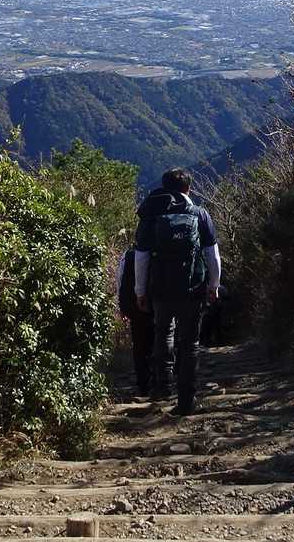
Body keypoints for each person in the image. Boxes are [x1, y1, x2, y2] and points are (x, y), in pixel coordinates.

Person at [134, 168, 220, 415]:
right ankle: (186, 401)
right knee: (190, 342)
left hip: (160, 288)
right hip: (193, 287)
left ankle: (162, 389)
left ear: (163, 187)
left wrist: (140, 291)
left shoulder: (151, 215)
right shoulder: (199, 214)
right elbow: (212, 254)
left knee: (163, 333)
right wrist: (214, 285)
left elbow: (141, 257)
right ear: (188, 189)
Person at [116, 245, 153, 395]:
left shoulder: (128, 255)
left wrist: (122, 305)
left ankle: (143, 383)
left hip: (134, 305)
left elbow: (120, 280)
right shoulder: (159, 250)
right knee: (160, 339)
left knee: (139, 344)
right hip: (158, 302)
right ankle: (160, 380)